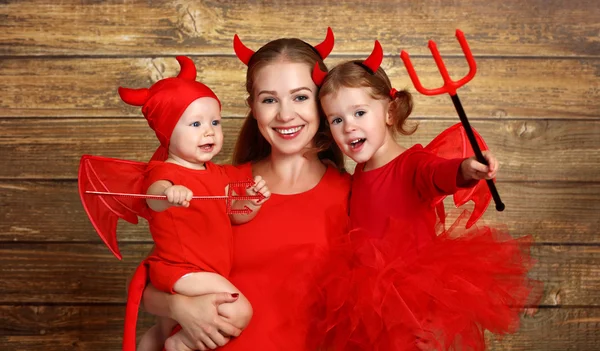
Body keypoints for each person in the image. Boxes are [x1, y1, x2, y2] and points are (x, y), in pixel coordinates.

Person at [312, 41, 541, 351]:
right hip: (369, 305)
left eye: (360, 112)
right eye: (336, 120)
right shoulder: (357, 177)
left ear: (390, 112)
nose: (349, 126)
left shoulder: (412, 164)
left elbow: (438, 173)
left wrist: (465, 169)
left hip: (415, 304)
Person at [140, 28, 351, 351]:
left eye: (300, 97)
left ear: (322, 103)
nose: (285, 114)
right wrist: (179, 308)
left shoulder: (352, 194)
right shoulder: (214, 185)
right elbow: (157, 279)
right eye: (269, 99)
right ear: (253, 106)